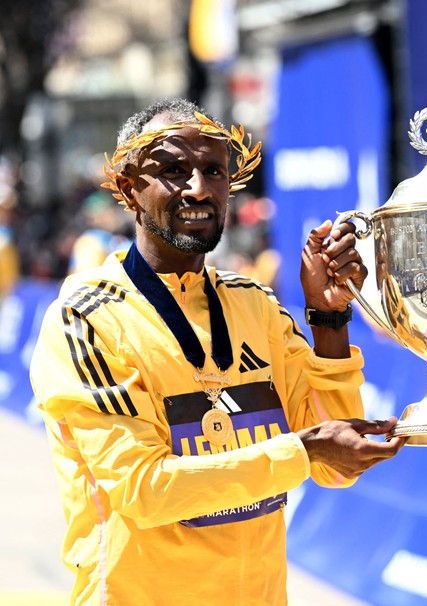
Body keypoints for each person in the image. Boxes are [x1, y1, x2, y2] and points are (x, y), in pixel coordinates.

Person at [30, 98, 404, 605]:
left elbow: (335, 468)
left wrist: (330, 319)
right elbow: (145, 491)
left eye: (213, 170)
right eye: (173, 170)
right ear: (127, 188)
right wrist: (303, 449)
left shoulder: (257, 306)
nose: (199, 188)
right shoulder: (87, 319)